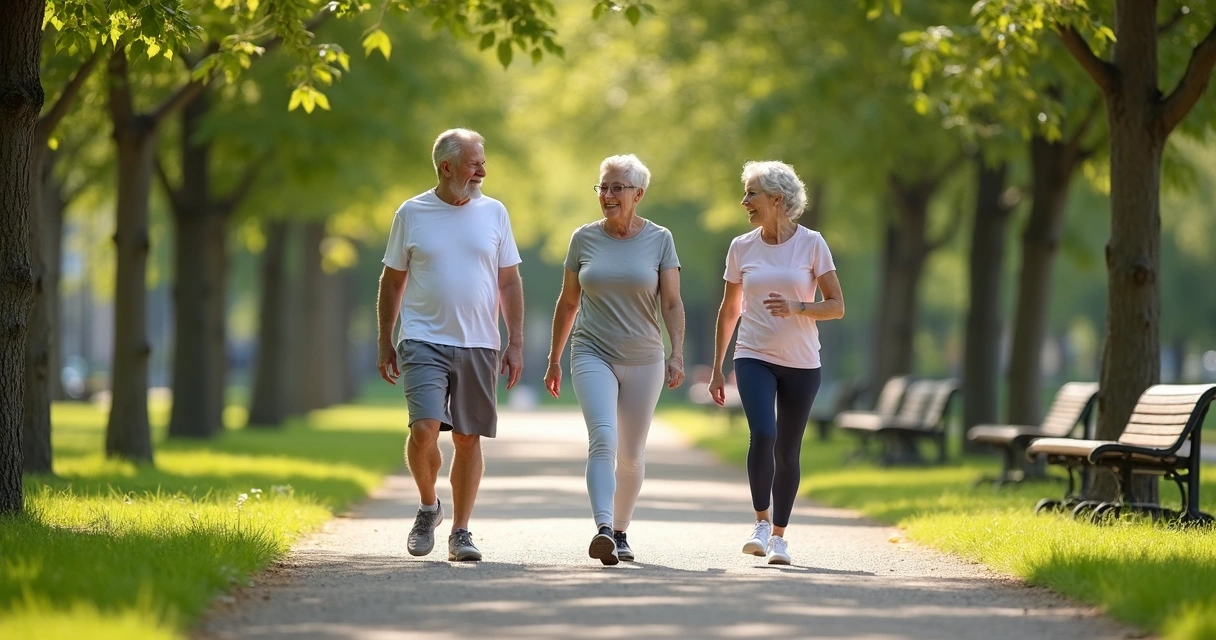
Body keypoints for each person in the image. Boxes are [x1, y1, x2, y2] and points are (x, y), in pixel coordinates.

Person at [376, 128, 524, 562]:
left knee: (466, 438)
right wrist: (385, 341)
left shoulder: (495, 213)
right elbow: (392, 280)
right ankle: (428, 506)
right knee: (423, 428)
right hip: (423, 338)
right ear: (446, 167)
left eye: (483, 161)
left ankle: (461, 531)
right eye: (474, 162)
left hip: (480, 342)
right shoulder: (412, 212)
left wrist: (515, 343)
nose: (482, 170)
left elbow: (510, 281)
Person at [544, 154, 686, 566]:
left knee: (632, 453)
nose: (607, 195)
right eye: (602, 187)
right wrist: (554, 358)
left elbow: (673, 303)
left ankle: (621, 531)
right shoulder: (583, 238)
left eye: (617, 188)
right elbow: (568, 302)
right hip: (592, 351)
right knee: (603, 439)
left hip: (645, 357)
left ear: (638, 194)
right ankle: (603, 528)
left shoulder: (660, 239)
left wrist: (677, 353)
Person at [708, 160, 845, 565]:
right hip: (753, 355)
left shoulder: (812, 243)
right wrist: (717, 365)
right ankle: (761, 523)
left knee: (788, 449)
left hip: (802, 362)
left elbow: (837, 306)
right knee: (763, 434)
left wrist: (798, 307)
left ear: (776, 199)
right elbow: (730, 309)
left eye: (752, 193)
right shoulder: (741, 247)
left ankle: (781, 537)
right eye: (746, 192)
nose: (744, 200)